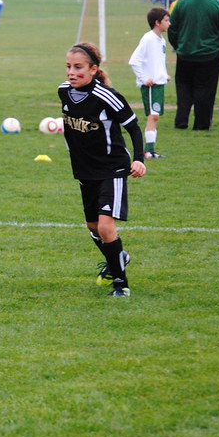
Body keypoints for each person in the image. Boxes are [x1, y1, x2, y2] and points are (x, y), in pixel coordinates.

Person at [59, 42, 146, 297]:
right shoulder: (64, 92)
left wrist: (139, 159)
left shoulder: (107, 95)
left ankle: (121, 284)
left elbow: (133, 127)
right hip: (84, 171)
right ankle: (118, 256)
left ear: (94, 69)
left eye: (78, 67)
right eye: (68, 67)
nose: (72, 72)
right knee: (92, 226)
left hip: (112, 169)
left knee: (106, 227)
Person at [168, 0, 219, 131]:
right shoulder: (217, 5)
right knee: (205, 91)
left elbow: (172, 28)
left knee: (183, 88)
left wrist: (178, 46)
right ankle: (201, 124)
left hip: (185, 55)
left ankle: (181, 121)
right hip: (209, 56)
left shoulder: (182, 3)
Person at [128, 7, 170, 159]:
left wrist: (164, 75)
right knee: (153, 116)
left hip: (159, 83)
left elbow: (157, 61)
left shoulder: (161, 40)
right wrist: (144, 79)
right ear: (157, 22)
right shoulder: (148, 38)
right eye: (166, 20)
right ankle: (148, 151)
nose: (169, 23)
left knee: (155, 115)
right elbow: (134, 61)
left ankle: (150, 150)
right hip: (150, 86)